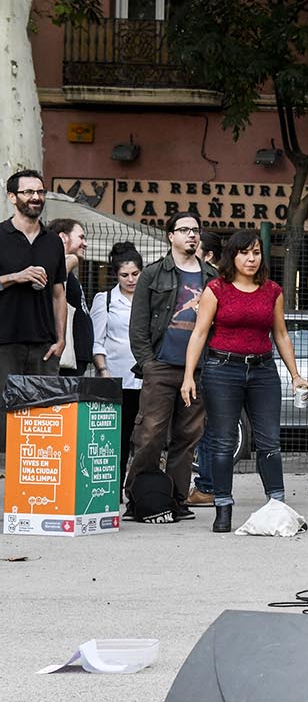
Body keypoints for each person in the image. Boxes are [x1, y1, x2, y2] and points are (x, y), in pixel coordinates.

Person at [179, 231, 308, 532]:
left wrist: (295, 374)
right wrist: (189, 376)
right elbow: (199, 333)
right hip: (222, 369)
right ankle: (222, 506)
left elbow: (280, 334)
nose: (251, 259)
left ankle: (277, 504)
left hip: (263, 371)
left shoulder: (272, 290)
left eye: (256, 253)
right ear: (232, 256)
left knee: (269, 442)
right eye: (244, 253)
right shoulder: (216, 289)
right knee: (223, 442)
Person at [126, 211, 216, 520]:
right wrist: (148, 363)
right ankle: (139, 498)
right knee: (150, 434)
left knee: (187, 436)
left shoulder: (212, 277)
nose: (192, 235)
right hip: (161, 366)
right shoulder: (153, 274)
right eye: (184, 230)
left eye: (195, 229)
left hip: (199, 369)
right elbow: (137, 325)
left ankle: (177, 500)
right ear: (171, 236)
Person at [0, 170, 68, 456]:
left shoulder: (52, 241)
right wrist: (15, 277)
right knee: (5, 414)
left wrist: (61, 339)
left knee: (42, 416)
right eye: (28, 192)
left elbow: (59, 292)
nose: (36, 198)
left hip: (43, 344)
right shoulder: (0, 235)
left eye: (40, 192)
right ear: (12, 197)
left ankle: (37, 478)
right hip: (5, 341)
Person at [90, 243, 145, 484]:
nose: (131, 279)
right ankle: (115, 487)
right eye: (125, 275)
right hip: (116, 378)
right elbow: (97, 341)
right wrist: (103, 372)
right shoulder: (105, 300)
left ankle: (139, 488)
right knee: (118, 438)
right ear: (116, 275)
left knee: (145, 438)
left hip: (146, 378)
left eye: (135, 274)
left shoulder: (149, 299)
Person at [187, 230, 223, 506]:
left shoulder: (212, 284)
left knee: (206, 429)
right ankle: (210, 485)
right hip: (206, 362)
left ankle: (208, 485)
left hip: (208, 363)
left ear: (208, 256)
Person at [46, 217, 95, 378]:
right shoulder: (58, 264)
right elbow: (51, 283)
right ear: (63, 237)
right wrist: (71, 260)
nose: (85, 243)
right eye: (81, 237)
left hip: (75, 357)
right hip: (65, 357)